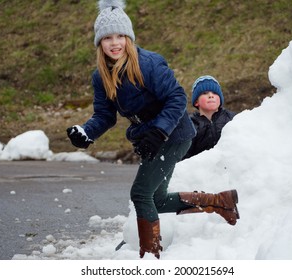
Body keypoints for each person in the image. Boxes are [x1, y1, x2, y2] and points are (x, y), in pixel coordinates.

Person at [66, 0, 239, 259]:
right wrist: (87, 132)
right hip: (151, 138)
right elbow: (105, 115)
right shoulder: (100, 76)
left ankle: (150, 257)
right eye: (107, 38)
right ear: (99, 42)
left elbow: (177, 98)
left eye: (120, 36)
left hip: (175, 134)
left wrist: (160, 131)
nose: (115, 43)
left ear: (129, 37)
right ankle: (221, 201)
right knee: (155, 199)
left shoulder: (148, 63)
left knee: (140, 193)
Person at [183, 75, 236, 159]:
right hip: (202, 169)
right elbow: (185, 155)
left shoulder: (233, 118)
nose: (211, 95)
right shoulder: (191, 125)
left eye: (215, 93)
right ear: (196, 102)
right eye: (205, 93)